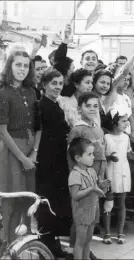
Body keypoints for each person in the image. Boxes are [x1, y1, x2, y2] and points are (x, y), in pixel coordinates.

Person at [0, 50, 41, 242]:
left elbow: (36, 126)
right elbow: (2, 131)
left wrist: (33, 153)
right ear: (10, 66)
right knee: (12, 198)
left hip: (29, 149)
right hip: (12, 151)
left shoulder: (31, 92)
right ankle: (7, 243)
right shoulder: (3, 92)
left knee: (27, 197)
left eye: (26, 65)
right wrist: (23, 158)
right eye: (18, 65)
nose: (22, 69)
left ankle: (22, 244)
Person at [35, 69, 71, 257]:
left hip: (57, 159)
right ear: (44, 85)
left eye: (60, 84)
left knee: (55, 202)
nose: (57, 87)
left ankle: (52, 242)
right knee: (46, 202)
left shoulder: (55, 105)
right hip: (47, 160)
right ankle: (46, 244)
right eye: (53, 83)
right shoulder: (41, 105)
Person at [102, 107, 134, 245]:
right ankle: (107, 232)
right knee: (108, 203)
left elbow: (128, 152)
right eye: (123, 121)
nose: (127, 123)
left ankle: (121, 232)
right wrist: (109, 157)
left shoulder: (126, 137)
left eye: (127, 121)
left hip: (123, 172)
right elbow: (102, 155)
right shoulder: (106, 137)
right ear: (114, 122)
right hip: (110, 172)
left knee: (121, 202)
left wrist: (131, 155)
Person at [68, 137, 106, 260]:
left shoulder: (91, 171)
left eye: (93, 154)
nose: (93, 157)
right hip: (82, 213)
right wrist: (91, 189)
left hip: (92, 211)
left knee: (88, 240)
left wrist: (102, 184)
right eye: (89, 154)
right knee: (80, 242)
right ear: (78, 158)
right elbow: (75, 195)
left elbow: (95, 186)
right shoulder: (75, 175)